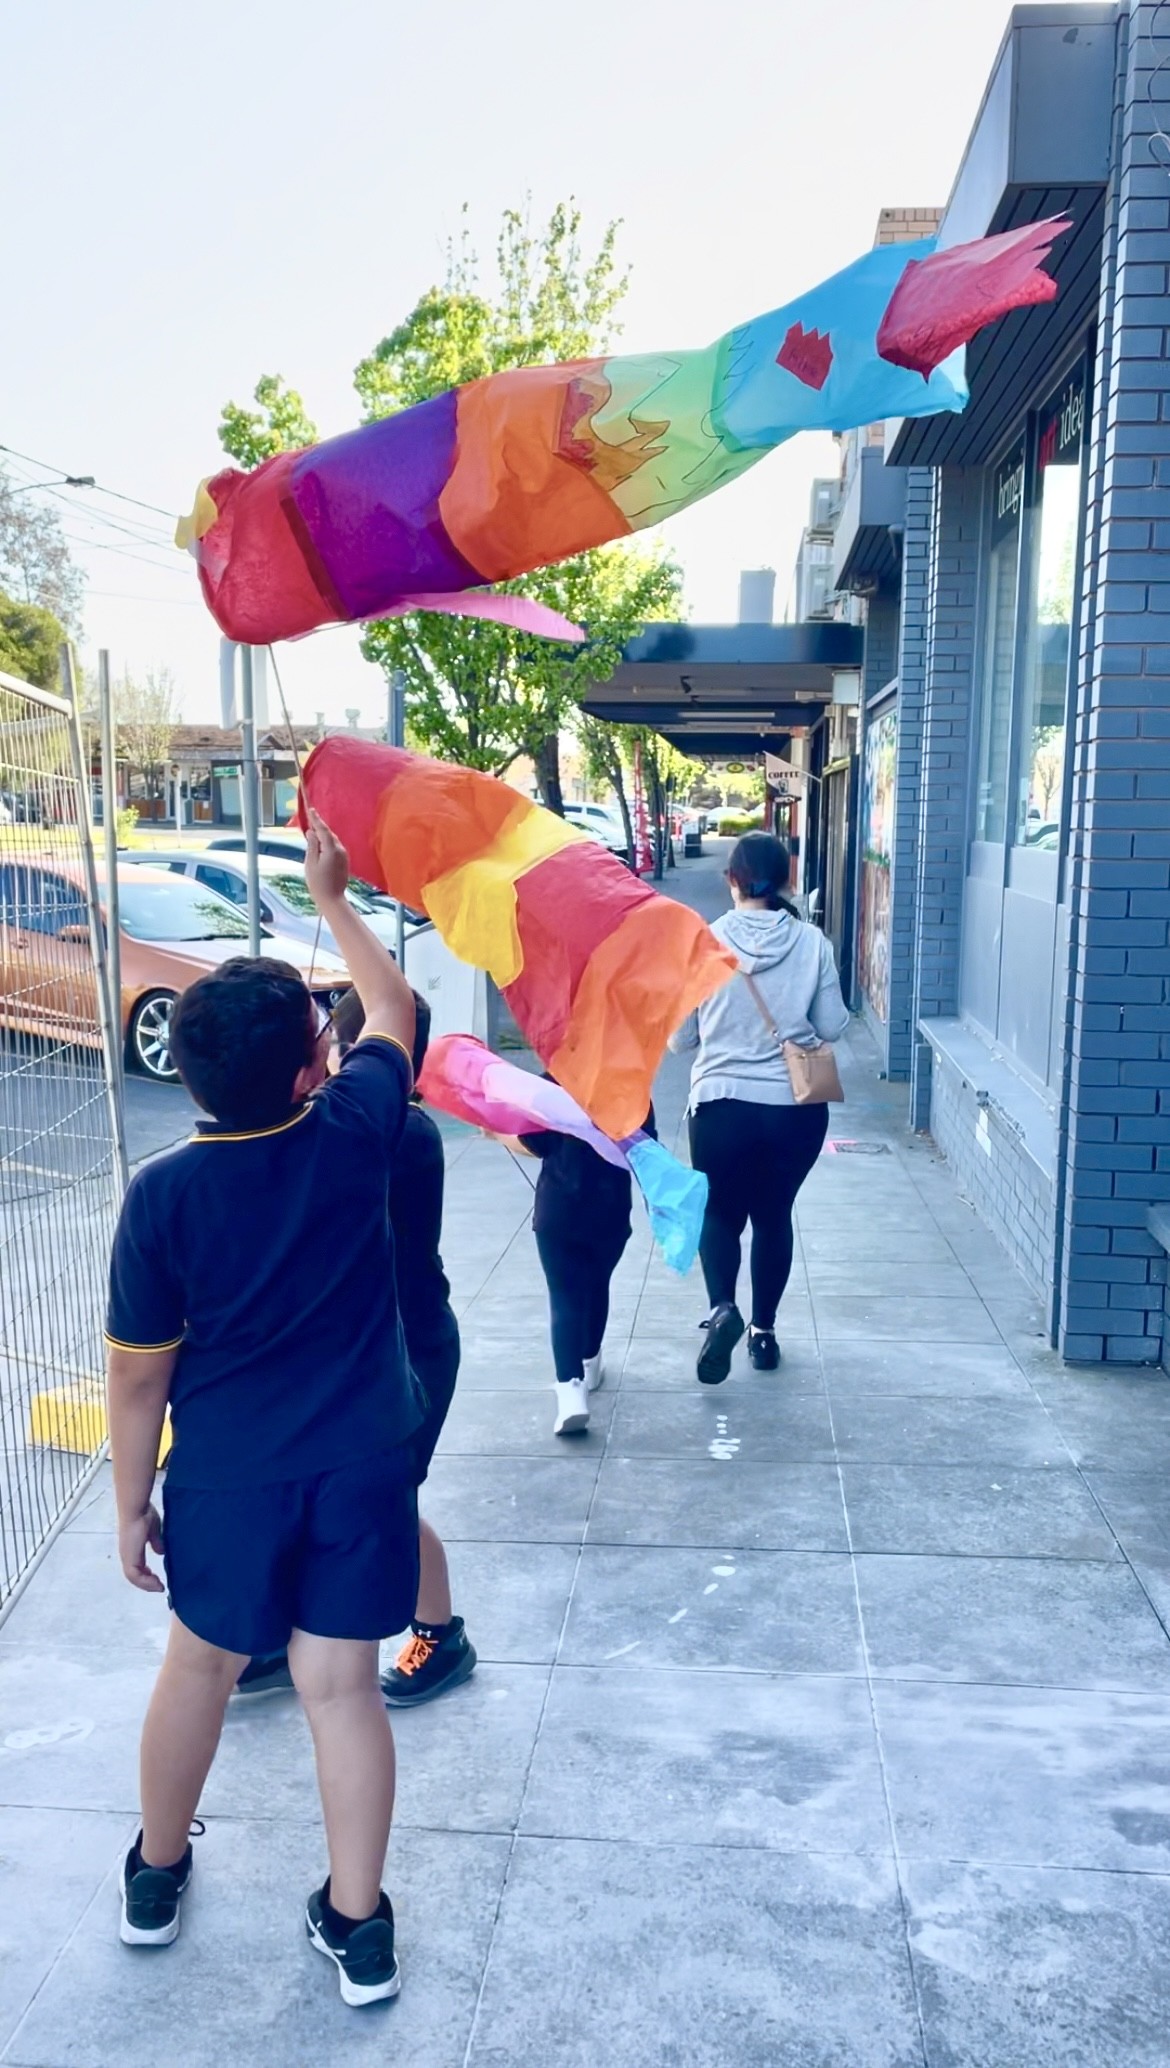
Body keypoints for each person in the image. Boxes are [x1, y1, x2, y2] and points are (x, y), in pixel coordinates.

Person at [106, 808, 423, 2007]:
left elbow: (141, 1374)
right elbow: (392, 1014)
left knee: (200, 1664)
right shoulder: (352, 1130)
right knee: (341, 1686)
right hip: (359, 1463)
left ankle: (157, 1873)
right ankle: (359, 1925)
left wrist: (133, 1505)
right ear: (310, 1069)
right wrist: (337, 901)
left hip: (227, 1476)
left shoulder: (163, 1196)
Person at [236, 983, 476, 1709]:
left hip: (408, 1350)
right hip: (369, 1346)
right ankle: (282, 1637)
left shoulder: (382, 1135)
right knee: (332, 1496)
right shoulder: (373, 1124)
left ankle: (441, 1634)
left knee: (387, 1499)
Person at [670, 831, 848, 1385]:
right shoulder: (813, 942)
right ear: (787, 879)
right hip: (792, 1109)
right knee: (773, 1217)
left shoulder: (702, 944)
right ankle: (764, 1334)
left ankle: (723, 1308)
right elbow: (833, 1026)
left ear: (732, 881)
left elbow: (680, 1040)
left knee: (718, 1212)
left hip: (720, 1107)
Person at [516, 1085, 656, 1436]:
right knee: (597, 1285)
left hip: (559, 1210)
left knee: (564, 1298)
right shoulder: (630, 1085)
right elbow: (644, 1145)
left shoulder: (551, 1084)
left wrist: (499, 1135)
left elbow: (533, 1141)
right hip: (610, 1209)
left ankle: (571, 1393)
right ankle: (591, 1362)